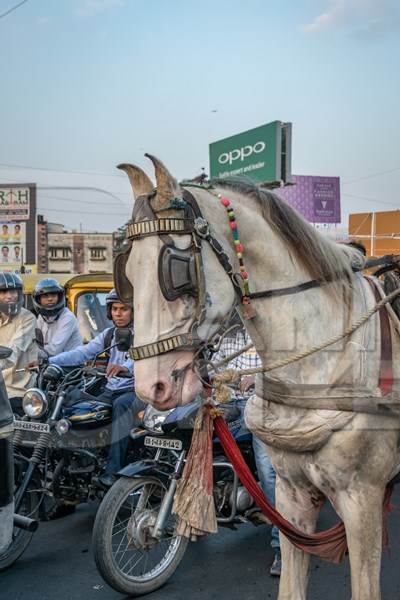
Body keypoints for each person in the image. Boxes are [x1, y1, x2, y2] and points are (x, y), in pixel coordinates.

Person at [49, 289, 143, 488]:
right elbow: (83, 352)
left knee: (121, 405)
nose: (118, 313)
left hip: (136, 390)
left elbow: (141, 357)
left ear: (134, 311)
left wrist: (124, 367)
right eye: (114, 309)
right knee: (79, 405)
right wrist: (48, 361)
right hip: (111, 388)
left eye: (124, 309)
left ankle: (113, 471)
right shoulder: (109, 334)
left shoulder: (144, 335)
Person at [212, 325, 281, 577]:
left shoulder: (268, 328)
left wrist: (258, 378)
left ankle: (283, 547)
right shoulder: (226, 336)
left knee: (268, 470)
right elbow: (212, 368)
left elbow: (285, 366)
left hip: (261, 406)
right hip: (227, 406)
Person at [0, 272, 38, 400]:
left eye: (13, 292)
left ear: (19, 294)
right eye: (4, 292)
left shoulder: (27, 318)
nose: (9, 296)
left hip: (16, 389)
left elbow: (14, 351)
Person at [32, 278, 82, 359]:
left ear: (59, 297)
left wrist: (30, 352)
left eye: (53, 295)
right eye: (45, 296)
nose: (50, 299)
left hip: (71, 365)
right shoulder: (41, 318)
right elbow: (34, 341)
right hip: (51, 363)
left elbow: (53, 350)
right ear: (38, 299)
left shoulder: (67, 317)